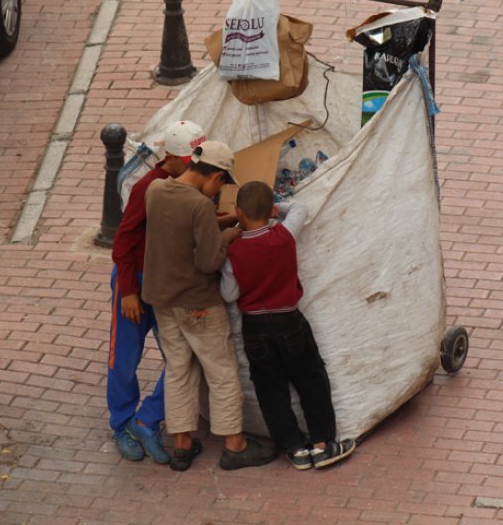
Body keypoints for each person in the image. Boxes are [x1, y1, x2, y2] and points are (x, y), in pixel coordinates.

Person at [142, 141, 276, 472]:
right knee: (222, 372)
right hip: (197, 303)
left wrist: (222, 222)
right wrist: (230, 236)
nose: (219, 190)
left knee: (178, 369)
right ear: (215, 176)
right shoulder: (200, 206)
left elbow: (179, 228)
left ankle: (183, 445)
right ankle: (234, 444)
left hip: (162, 297)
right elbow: (207, 261)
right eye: (221, 183)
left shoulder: (157, 190)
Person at [220, 180, 356, 470]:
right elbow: (299, 208)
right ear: (269, 211)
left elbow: (228, 294)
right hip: (289, 320)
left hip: (255, 327)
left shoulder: (235, 252)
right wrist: (276, 207)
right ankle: (322, 444)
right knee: (310, 380)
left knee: (270, 390)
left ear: (237, 211)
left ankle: (294, 449)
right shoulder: (283, 235)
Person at [108, 120, 206, 464]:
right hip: (134, 281)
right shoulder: (147, 187)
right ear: (173, 157)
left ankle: (146, 418)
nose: (195, 166)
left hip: (167, 286)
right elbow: (123, 242)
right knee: (124, 360)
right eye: (190, 160)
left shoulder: (194, 182)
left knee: (184, 357)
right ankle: (121, 425)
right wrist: (128, 292)